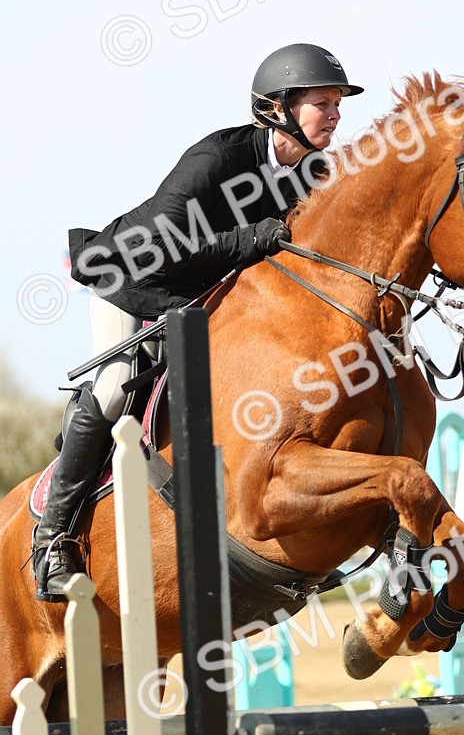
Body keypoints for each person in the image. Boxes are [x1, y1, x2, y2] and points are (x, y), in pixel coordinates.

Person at [33, 42, 363, 601]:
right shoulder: (216, 159)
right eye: (323, 103)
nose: (335, 114)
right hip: (135, 283)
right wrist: (248, 239)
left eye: (337, 104)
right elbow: (160, 245)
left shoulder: (317, 172)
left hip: (204, 300)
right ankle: (52, 537)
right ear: (279, 108)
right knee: (115, 390)